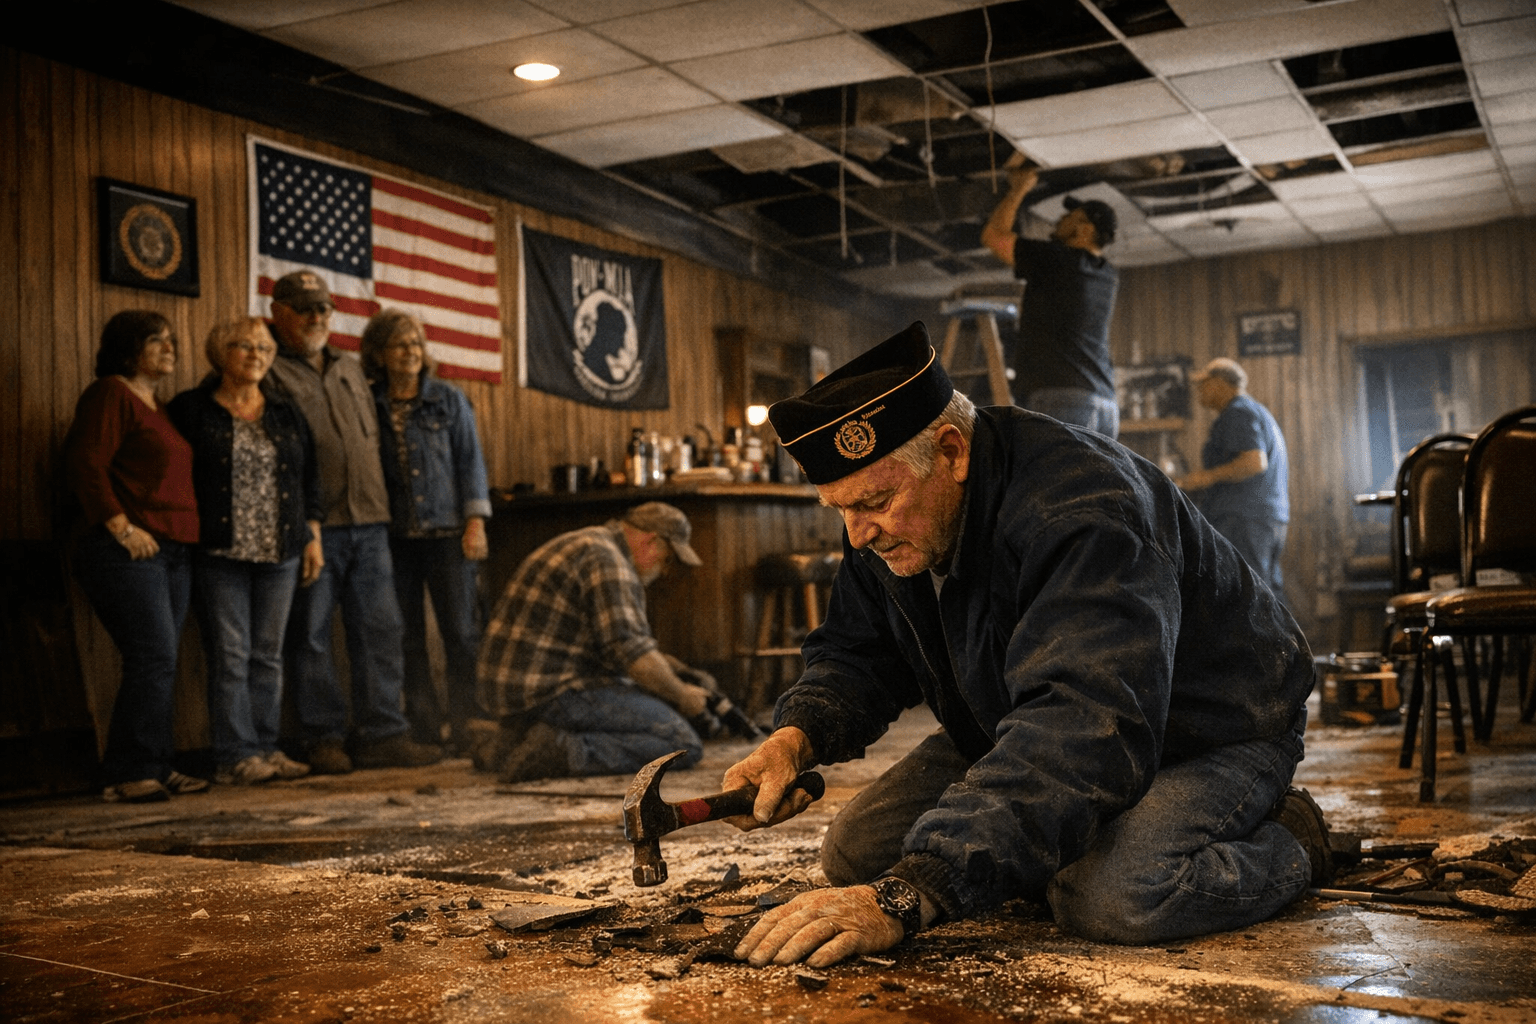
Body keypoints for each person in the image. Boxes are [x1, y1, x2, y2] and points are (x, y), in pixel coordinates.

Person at [722, 322, 1328, 970]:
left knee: (1112, 896)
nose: (858, 533)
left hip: (1209, 730)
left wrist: (916, 891)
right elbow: (859, 651)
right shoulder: (888, 516)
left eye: (873, 502)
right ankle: (1052, 834)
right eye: (838, 508)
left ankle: (1295, 836)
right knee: (854, 853)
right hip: (1020, 714)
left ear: (952, 452)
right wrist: (798, 737)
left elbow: (1084, 723)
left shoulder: (1081, 508)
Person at [263, 270, 441, 773]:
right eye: (305, 309)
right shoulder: (270, 368)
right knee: (312, 635)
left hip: (371, 520)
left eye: (323, 308)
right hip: (312, 528)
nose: (318, 317)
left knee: (381, 630)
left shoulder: (348, 367)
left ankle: (384, 732)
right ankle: (322, 737)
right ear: (278, 312)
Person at [168, 318, 323, 786]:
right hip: (221, 549)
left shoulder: (284, 410)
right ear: (220, 354)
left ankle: (266, 747)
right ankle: (235, 755)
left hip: (282, 548)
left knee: (268, 654)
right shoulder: (192, 409)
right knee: (231, 655)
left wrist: (312, 533)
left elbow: (308, 477)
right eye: (243, 346)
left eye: (264, 347)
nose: (256, 354)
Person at [63, 310, 207, 803]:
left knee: (160, 661)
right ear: (128, 348)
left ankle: (157, 764)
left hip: (174, 549)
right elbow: (86, 461)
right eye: (156, 341)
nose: (170, 348)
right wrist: (120, 526)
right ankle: (126, 772)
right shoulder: (111, 393)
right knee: (152, 656)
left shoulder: (158, 406)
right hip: (127, 549)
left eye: (172, 340)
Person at [475, 502, 711, 782]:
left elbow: (621, 645)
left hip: (519, 688)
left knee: (650, 697)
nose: (665, 572)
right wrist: (683, 696)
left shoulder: (592, 543)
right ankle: (562, 750)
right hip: (550, 689)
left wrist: (679, 672)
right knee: (682, 743)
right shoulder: (609, 561)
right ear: (653, 542)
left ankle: (511, 744)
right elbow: (634, 657)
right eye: (667, 560)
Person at [359, 308, 494, 754]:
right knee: (406, 635)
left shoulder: (448, 399)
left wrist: (475, 523)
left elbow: (470, 462)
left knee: (460, 631)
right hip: (391, 537)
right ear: (379, 354)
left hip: (448, 533)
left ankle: (467, 725)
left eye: (416, 344)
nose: (411, 353)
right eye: (400, 345)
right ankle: (423, 728)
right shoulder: (369, 401)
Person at [981, 152, 1120, 439]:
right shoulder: (1107, 274)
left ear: (1085, 229)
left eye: (1070, 215)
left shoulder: (1060, 259)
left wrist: (1018, 189)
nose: (1061, 218)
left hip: (1061, 396)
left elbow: (994, 236)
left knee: (1050, 480)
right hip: (1105, 403)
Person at [1175, 357, 1290, 598]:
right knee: (1265, 592)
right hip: (1263, 517)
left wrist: (1205, 477)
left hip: (1244, 519)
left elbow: (1254, 461)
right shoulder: (1254, 411)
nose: (1199, 391)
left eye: (1202, 384)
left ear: (1218, 383)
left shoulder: (1237, 413)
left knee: (1248, 594)